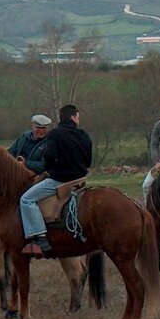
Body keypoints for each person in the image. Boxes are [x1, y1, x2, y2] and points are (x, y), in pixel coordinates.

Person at [19, 104, 92, 257]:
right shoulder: (84, 135)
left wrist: (52, 169)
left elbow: (49, 158)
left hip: (59, 181)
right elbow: (88, 161)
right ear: (73, 117)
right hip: (80, 180)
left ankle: (39, 238)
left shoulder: (54, 135)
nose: (78, 120)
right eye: (78, 117)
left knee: (26, 199)